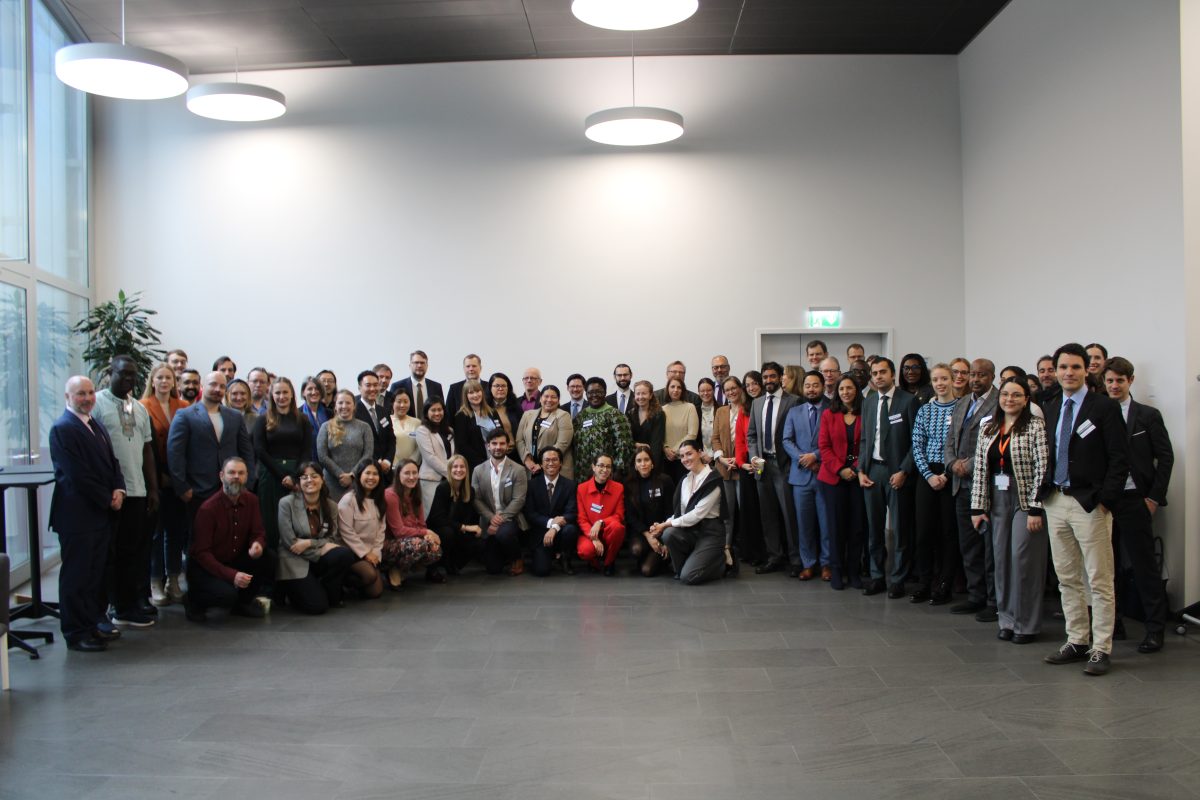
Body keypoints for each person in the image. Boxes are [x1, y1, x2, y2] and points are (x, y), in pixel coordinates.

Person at [1038, 343, 1128, 676]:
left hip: (1089, 503)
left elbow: (1120, 458)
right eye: (1063, 367)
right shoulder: (1049, 407)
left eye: (1075, 367)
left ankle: (1101, 647)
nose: (1068, 373)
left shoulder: (1103, 407)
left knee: (1100, 579)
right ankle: (1077, 639)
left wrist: (1105, 498)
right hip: (1055, 500)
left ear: (1086, 370)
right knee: (1066, 577)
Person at [49, 376, 127, 651]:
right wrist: (107, 498)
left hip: (100, 514)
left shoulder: (94, 423)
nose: (87, 398)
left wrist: (119, 487)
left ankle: (91, 624)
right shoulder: (63, 428)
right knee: (77, 576)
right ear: (68, 397)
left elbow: (112, 461)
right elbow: (77, 474)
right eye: (80, 393)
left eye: (91, 392)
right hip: (78, 516)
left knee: (95, 574)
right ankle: (76, 632)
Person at [970, 378, 1048, 645]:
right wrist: (978, 507)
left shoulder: (1035, 427)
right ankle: (1007, 619)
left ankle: (1026, 624)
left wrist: (1037, 506)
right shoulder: (989, 428)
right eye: (1005, 394)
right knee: (1001, 559)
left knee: (1022, 558)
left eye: (1016, 395)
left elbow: (1042, 467)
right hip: (996, 497)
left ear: (1027, 399)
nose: (1009, 399)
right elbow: (980, 469)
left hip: (1025, 500)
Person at [1104, 356, 1173, 654]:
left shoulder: (1147, 415)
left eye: (1120, 380)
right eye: (1109, 381)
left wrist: (1153, 498)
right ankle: (1113, 624)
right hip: (1107, 501)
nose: (1115, 385)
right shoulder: (1096, 413)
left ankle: (1155, 629)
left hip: (1136, 500)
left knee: (1144, 567)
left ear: (1130, 381)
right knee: (1108, 567)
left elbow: (1166, 458)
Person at [92, 356, 158, 627]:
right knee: (111, 554)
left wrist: (152, 488)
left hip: (137, 489)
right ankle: (113, 607)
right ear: (110, 373)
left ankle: (130, 604)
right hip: (112, 492)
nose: (129, 380)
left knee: (134, 551)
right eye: (124, 375)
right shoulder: (95, 403)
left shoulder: (139, 408)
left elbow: (147, 448)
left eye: (133, 376)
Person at [944, 358, 999, 620]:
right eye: (972, 375)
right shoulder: (963, 402)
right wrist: (952, 462)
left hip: (986, 485)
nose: (975, 379)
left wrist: (972, 465)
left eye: (981, 375)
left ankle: (993, 599)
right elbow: (951, 439)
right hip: (960, 484)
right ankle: (975, 595)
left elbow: (998, 442)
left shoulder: (1000, 402)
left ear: (991, 376)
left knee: (989, 546)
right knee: (968, 545)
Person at [858, 357, 917, 598]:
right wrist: (861, 470)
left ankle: (898, 579)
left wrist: (904, 470)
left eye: (883, 372)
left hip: (897, 472)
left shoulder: (908, 401)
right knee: (874, 529)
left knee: (900, 529)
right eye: (875, 373)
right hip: (873, 471)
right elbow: (864, 439)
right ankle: (876, 576)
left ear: (893, 374)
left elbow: (916, 441)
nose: (878, 376)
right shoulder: (870, 402)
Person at [185, 457, 271, 622]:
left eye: (241, 473)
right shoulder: (208, 509)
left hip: (233, 558)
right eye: (231, 472)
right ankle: (193, 601)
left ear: (247, 476)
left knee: (268, 557)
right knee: (226, 596)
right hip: (205, 568)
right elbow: (202, 553)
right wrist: (232, 575)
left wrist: (257, 544)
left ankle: (242, 603)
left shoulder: (252, 500)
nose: (236, 477)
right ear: (221, 476)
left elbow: (258, 532)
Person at [167, 371, 255, 522]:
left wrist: (248, 483)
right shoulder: (185, 415)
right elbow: (175, 453)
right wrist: (182, 487)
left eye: (222, 386)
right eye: (213, 384)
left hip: (231, 489)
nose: (217, 389)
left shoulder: (235, 416)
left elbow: (246, 451)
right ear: (203, 386)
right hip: (197, 490)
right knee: (199, 539)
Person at [252, 377, 313, 590]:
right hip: (270, 476)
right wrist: (281, 476)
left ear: (292, 394)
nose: (281, 397)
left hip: (297, 477)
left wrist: (295, 477)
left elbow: (306, 450)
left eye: (285, 392)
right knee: (271, 527)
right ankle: (270, 581)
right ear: (271, 395)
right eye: (277, 393)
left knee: (295, 526)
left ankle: (293, 579)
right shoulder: (263, 419)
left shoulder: (302, 419)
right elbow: (260, 450)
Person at [909, 363, 961, 605]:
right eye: (936, 380)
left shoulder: (963, 409)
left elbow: (963, 447)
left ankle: (944, 584)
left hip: (951, 473)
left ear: (952, 380)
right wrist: (929, 475)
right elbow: (917, 445)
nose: (940, 384)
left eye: (944, 379)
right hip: (927, 473)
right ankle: (924, 581)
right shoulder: (924, 411)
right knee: (924, 532)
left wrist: (948, 475)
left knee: (948, 532)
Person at [275, 462, 357, 614]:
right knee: (317, 606)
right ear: (299, 482)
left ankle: (322, 588)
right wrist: (319, 548)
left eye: (314, 476)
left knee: (344, 554)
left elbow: (331, 538)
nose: (309, 480)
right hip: (293, 559)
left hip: (315, 556)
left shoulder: (331, 505)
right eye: (304, 477)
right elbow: (290, 543)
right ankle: (291, 588)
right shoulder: (286, 503)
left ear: (322, 479)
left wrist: (309, 543)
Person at [141, 362, 189, 607]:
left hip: (177, 478)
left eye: (168, 378)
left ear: (174, 382)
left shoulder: (182, 406)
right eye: (160, 377)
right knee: (157, 533)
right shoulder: (143, 407)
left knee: (175, 532)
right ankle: (155, 581)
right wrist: (157, 477)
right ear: (153, 380)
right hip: (154, 477)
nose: (164, 382)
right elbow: (144, 446)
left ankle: (173, 579)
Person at [746, 361, 800, 575]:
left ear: (780, 378)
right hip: (762, 466)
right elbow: (751, 435)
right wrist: (753, 455)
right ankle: (774, 556)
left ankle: (796, 560)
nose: (768, 380)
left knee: (789, 515)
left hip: (784, 465)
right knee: (767, 515)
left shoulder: (794, 402)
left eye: (772, 376)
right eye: (765, 377)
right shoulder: (757, 403)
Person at [649, 440, 727, 585]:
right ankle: (688, 566)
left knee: (688, 577)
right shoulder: (685, 480)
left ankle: (720, 562)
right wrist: (662, 524)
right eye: (682, 456)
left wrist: (666, 524)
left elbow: (696, 515)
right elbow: (681, 513)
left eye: (689, 454)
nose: (685, 459)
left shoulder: (713, 479)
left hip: (710, 532)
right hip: (692, 530)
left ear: (700, 452)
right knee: (669, 534)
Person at [818, 376, 866, 590]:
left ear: (856, 390)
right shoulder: (829, 414)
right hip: (833, 478)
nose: (846, 392)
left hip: (859, 477)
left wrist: (855, 468)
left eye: (850, 388)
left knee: (856, 527)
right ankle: (836, 569)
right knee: (835, 527)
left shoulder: (866, 412)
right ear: (837, 392)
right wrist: (840, 469)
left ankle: (854, 571)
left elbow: (867, 444)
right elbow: (824, 446)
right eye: (842, 388)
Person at [782, 370, 830, 580]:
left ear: (823, 385)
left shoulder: (832, 409)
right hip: (800, 477)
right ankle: (808, 563)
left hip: (825, 475)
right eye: (808, 385)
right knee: (804, 524)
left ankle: (827, 564)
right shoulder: (795, 411)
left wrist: (816, 456)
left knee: (826, 523)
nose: (811, 389)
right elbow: (786, 440)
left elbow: (835, 441)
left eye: (815, 385)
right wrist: (804, 458)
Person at [470, 428, 528, 575]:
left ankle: (517, 558)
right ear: (487, 445)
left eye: (502, 444)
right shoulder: (478, 470)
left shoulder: (518, 469)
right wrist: (491, 518)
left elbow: (519, 499)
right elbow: (476, 499)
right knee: (493, 569)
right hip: (488, 520)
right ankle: (504, 556)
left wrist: (499, 520)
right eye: (494, 443)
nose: (498, 447)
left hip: (510, 519)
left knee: (504, 534)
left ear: (508, 446)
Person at [382, 459, 444, 587]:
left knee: (435, 549)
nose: (412, 477)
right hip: (389, 543)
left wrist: (427, 535)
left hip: (409, 540)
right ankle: (392, 568)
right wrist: (426, 532)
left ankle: (402, 569)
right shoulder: (390, 495)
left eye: (415, 473)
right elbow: (398, 532)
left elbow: (421, 525)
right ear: (398, 475)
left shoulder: (415, 494)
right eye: (407, 473)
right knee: (418, 545)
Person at [335, 459, 387, 599]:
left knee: (376, 592)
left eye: (375, 474)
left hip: (370, 552)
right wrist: (365, 553)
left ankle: (353, 585)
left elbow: (381, 530)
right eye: (367, 473)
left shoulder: (380, 501)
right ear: (359, 476)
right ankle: (342, 581)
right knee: (369, 576)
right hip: (351, 552)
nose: (371, 477)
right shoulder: (348, 500)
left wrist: (375, 553)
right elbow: (346, 531)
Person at [525, 446, 580, 577]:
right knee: (541, 571)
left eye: (555, 460)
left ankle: (565, 557)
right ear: (541, 464)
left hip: (561, 532)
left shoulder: (570, 485)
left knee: (571, 529)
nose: (551, 463)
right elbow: (530, 513)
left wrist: (554, 528)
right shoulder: (532, 485)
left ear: (561, 463)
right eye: (547, 460)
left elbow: (571, 512)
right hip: (540, 533)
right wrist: (550, 522)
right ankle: (548, 555)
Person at [711, 377, 746, 574]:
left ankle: (748, 550)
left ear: (740, 389)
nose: (731, 392)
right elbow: (715, 438)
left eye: (734, 388)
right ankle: (726, 548)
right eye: (727, 390)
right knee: (727, 513)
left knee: (746, 510)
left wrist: (740, 459)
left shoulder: (748, 409)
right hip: (724, 468)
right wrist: (722, 458)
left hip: (743, 469)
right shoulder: (721, 411)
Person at [624, 445, 674, 577]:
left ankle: (662, 556)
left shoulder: (665, 481)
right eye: (639, 461)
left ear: (652, 462)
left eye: (646, 460)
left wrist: (663, 536)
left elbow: (671, 512)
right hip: (641, 533)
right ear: (635, 465)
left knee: (647, 571)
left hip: (661, 531)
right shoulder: (629, 484)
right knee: (636, 549)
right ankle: (648, 554)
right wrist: (648, 536)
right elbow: (630, 516)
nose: (643, 464)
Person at [316, 389, 375, 502]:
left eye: (348, 403)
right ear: (335, 406)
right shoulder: (325, 426)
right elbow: (322, 456)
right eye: (340, 403)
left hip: (357, 481)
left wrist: (352, 475)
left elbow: (368, 454)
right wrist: (340, 475)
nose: (344, 406)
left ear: (354, 406)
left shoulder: (364, 427)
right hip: (331, 482)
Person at [425, 454, 480, 575]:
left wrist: (473, 528)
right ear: (449, 469)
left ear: (467, 469)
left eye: (462, 467)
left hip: (456, 527)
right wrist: (463, 527)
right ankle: (436, 565)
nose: (459, 470)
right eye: (455, 467)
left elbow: (469, 516)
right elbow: (437, 518)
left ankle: (453, 563)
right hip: (439, 528)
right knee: (448, 533)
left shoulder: (469, 490)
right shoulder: (443, 488)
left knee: (476, 539)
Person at [574, 377, 634, 479]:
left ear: (605, 392)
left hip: (607, 473)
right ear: (586, 394)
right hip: (583, 473)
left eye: (598, 392)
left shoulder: (615, 415)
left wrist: (618, 470)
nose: (594, 395)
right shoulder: (580, 416)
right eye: (590, 392)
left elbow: (624, 445)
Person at [576, 453, 625, 575]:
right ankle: (594, 562)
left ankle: (609, 562)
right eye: (601, 466)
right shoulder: (582, 488)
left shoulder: (618, 488)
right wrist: (593, 538)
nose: (605, 470)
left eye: (608, 467)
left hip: (608, 531)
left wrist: (601, 522)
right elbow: (581, 519)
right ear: (593, 467)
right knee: (585, 551)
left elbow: (619, 515)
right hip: (589, 533)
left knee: (618, 528)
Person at [736, 370, 766, 566]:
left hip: (767, 464)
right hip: (748, 466)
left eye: (755, 383)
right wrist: (742, 463)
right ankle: (753, 552)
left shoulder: (768, 405)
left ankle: (769, 552)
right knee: (750, 512)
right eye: (748, 385)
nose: (752, 387)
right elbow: (739, 441)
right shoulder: (744, 410)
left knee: (767, 511)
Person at [517, 384, 574, 478]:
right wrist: (527, 460)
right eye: (546, 396)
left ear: (558, 400)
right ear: (540, 398)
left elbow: (563, 443)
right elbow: (519, 440)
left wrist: (544, 463)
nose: (549, 400)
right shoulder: (527, 415)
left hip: (555, 469)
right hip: (531, 469)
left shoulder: (563, 416)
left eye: (553, 397)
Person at [415, 399, 456, 512]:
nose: (437, 413)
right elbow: (430, 457)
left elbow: (452, 455)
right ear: (426, 413)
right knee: (431, 516)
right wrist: (450, 473)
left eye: (440, 410)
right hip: (431, 479)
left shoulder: (450, 430)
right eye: (433, 410)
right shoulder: (422, 430)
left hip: (448, 481)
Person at [453, 378, 499, 471]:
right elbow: (462, 445)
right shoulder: (461, 416)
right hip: (476, 465)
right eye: (471, 392)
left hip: (497, 461)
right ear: (466, 396)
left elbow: (501, 433)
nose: (475, 395)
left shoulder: (492, 412)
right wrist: (483, 463)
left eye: (478, 391)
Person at [354, 370, 394, 475]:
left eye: (376, 385)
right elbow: (357, 444)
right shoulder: (353, 412)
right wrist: (377, 462)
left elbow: (391, 439)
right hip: (364, 470)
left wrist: (387, 461)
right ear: (359, 388)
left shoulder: (383, 411)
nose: (372, 389)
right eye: (368, 385)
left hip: (385, 471)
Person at [662, 376, 700, 484]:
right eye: (672, 386)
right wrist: (665, 449)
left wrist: (675, 451)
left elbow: (692, 434)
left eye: (679, 387)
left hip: (685, 459)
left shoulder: (690, 407)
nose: (675, 390)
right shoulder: (662, 409)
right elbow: (659, 434)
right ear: (667, 389)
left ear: (683, 390)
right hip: (666, 459)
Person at [626, 380, 666, 475]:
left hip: (652, 463)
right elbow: (626, 439)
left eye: (644, 393)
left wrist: (652, 466)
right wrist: (636, 444)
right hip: (634, 463)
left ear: (651, 395)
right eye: (637, 394)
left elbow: (656, 442)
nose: (640, 397)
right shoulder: (629, 414)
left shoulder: (659, 415)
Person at [488, 372, 522, 459]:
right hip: (495, 454)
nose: (500, 388)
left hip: (516, 453)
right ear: (490, 388)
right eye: (497, 386)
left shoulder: (516, 406)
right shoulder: (485, 409)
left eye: (503, 386)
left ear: (508, 388)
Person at [298, 376, 330, 462]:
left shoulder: (330, 414)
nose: (314, 392)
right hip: (306, 463)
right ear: (303, 392)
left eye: (317, 389)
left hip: (329, 462)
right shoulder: (297, 414)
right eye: (310, 389)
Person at [389, 390, 422, 466]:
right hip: (393, 466)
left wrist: (411, 463)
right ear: (392, 403)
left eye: (406, 401)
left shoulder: (417, 422)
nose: (402, 405)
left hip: (413, 466)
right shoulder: (387, 422)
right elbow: (386, 446)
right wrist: (397, 465)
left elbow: (419, 447)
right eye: (399, 401)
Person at [697, 378, 717, 455]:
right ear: (698, 392)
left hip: (718, 456)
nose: (705, 393)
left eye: (709, 390)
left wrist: (712, 455)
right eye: (702, 391)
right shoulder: (695, 411)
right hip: (700, 456)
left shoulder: (721, 410)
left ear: (714, 391)